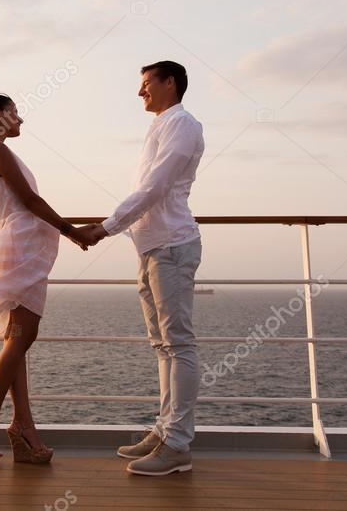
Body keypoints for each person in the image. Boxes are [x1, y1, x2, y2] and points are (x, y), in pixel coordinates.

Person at [0, 94, 94, 465]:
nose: (21, 120)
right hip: (21, 246)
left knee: (18, 338)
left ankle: (23, 429)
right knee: (23, 336)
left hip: (21, 245)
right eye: (15, 112)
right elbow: (28, 200)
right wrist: (72, 231)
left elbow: (22, 201)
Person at [79, 60, 205, 476]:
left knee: (178, 344)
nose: (140, 92)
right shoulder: (160, 127)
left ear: (170, 83)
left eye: (146, 83)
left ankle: (178, 446)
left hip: (171, 246)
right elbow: (147, 191)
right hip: (151, 248)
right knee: (162, 345)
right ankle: (166, 430)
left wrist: (105, 227)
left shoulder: (183, 125)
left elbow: (155, 188)